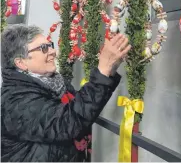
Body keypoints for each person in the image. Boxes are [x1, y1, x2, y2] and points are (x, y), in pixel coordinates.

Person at [1, 24, 131, 162]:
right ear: (21, 63)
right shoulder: (14, 100)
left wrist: (109, 71)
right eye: (43, 48)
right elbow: (67, 122)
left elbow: (82, 109)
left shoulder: (55, 82)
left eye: (50, 45)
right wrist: (102, 70)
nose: (53, 52)